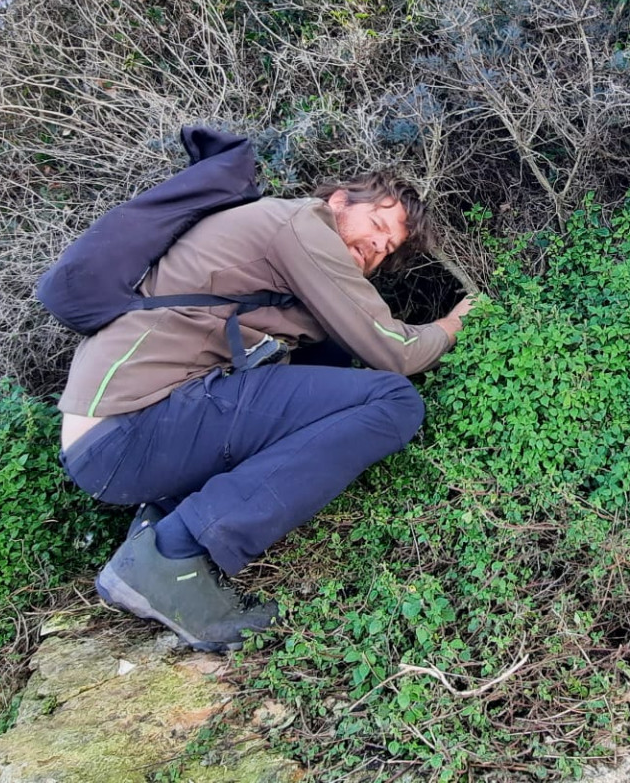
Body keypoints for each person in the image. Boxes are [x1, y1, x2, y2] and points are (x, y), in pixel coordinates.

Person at [55, 171, 475, 650]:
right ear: (340, 199)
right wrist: (454, 322)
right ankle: (174, 554)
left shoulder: (284, 242)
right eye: (379, 223)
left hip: (118, 437)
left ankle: (155, 531)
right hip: (129, 429)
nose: (379, 245)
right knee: (393, 401)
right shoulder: (301, 225)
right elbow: (396, 352)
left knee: (331, 355)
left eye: (389, 246)